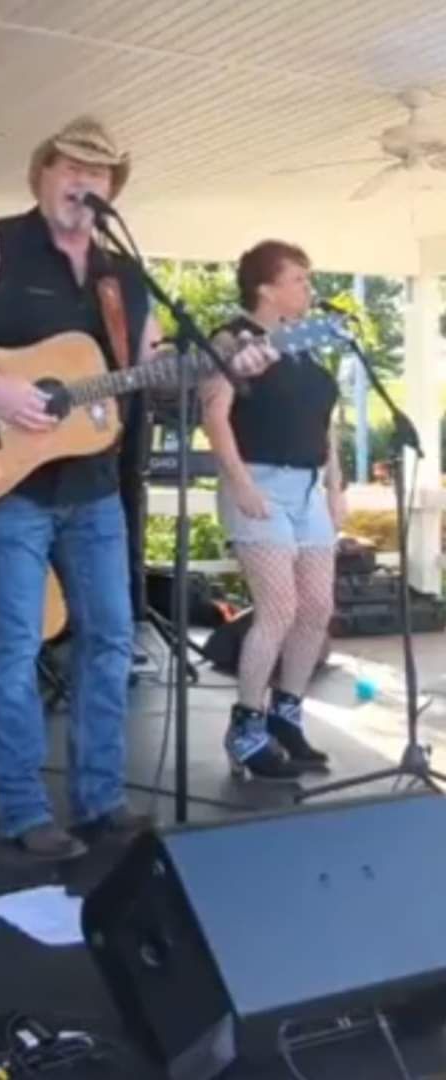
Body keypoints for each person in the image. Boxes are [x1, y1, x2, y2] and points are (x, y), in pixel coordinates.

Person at [0, 116, 275, 859]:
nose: (82, 182)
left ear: (112, 189)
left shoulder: (122, 277)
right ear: (41, 174)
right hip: (11, 487)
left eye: (97, 174)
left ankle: (100, 799)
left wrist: (222, 362)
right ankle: (23, 810)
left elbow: (153, 371)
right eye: (69, 167)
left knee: (110, 639)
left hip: (95, 486)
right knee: (15, 645)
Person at [200, 240, 343, 781]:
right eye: (299, 279)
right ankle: (245, 726)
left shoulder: (302, 342)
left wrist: (335, 487)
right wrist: (239, 483)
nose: (309, 288)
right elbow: (214, 415)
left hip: (308, 489)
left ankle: (287, 714)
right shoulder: (232, 339)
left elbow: (324, 423)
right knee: (278, 607)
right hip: (259, 481)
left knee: (316, 607)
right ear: (266, 288)